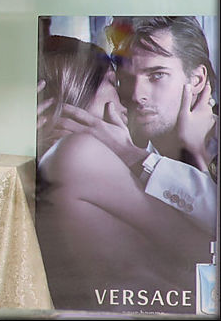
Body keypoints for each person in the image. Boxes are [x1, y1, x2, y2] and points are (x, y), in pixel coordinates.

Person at [36, 34, 208, 312]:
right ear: (78, 85)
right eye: (112, 82)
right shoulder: (80, 152)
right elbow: (200, 247)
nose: (128, 98)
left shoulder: (57, 157)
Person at [54, 16, 218, 233]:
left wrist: (135, 156)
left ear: (196, 79)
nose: (136, 94)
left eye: (157, 75)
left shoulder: (127, 149)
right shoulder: (114, 137)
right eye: (126, 79)